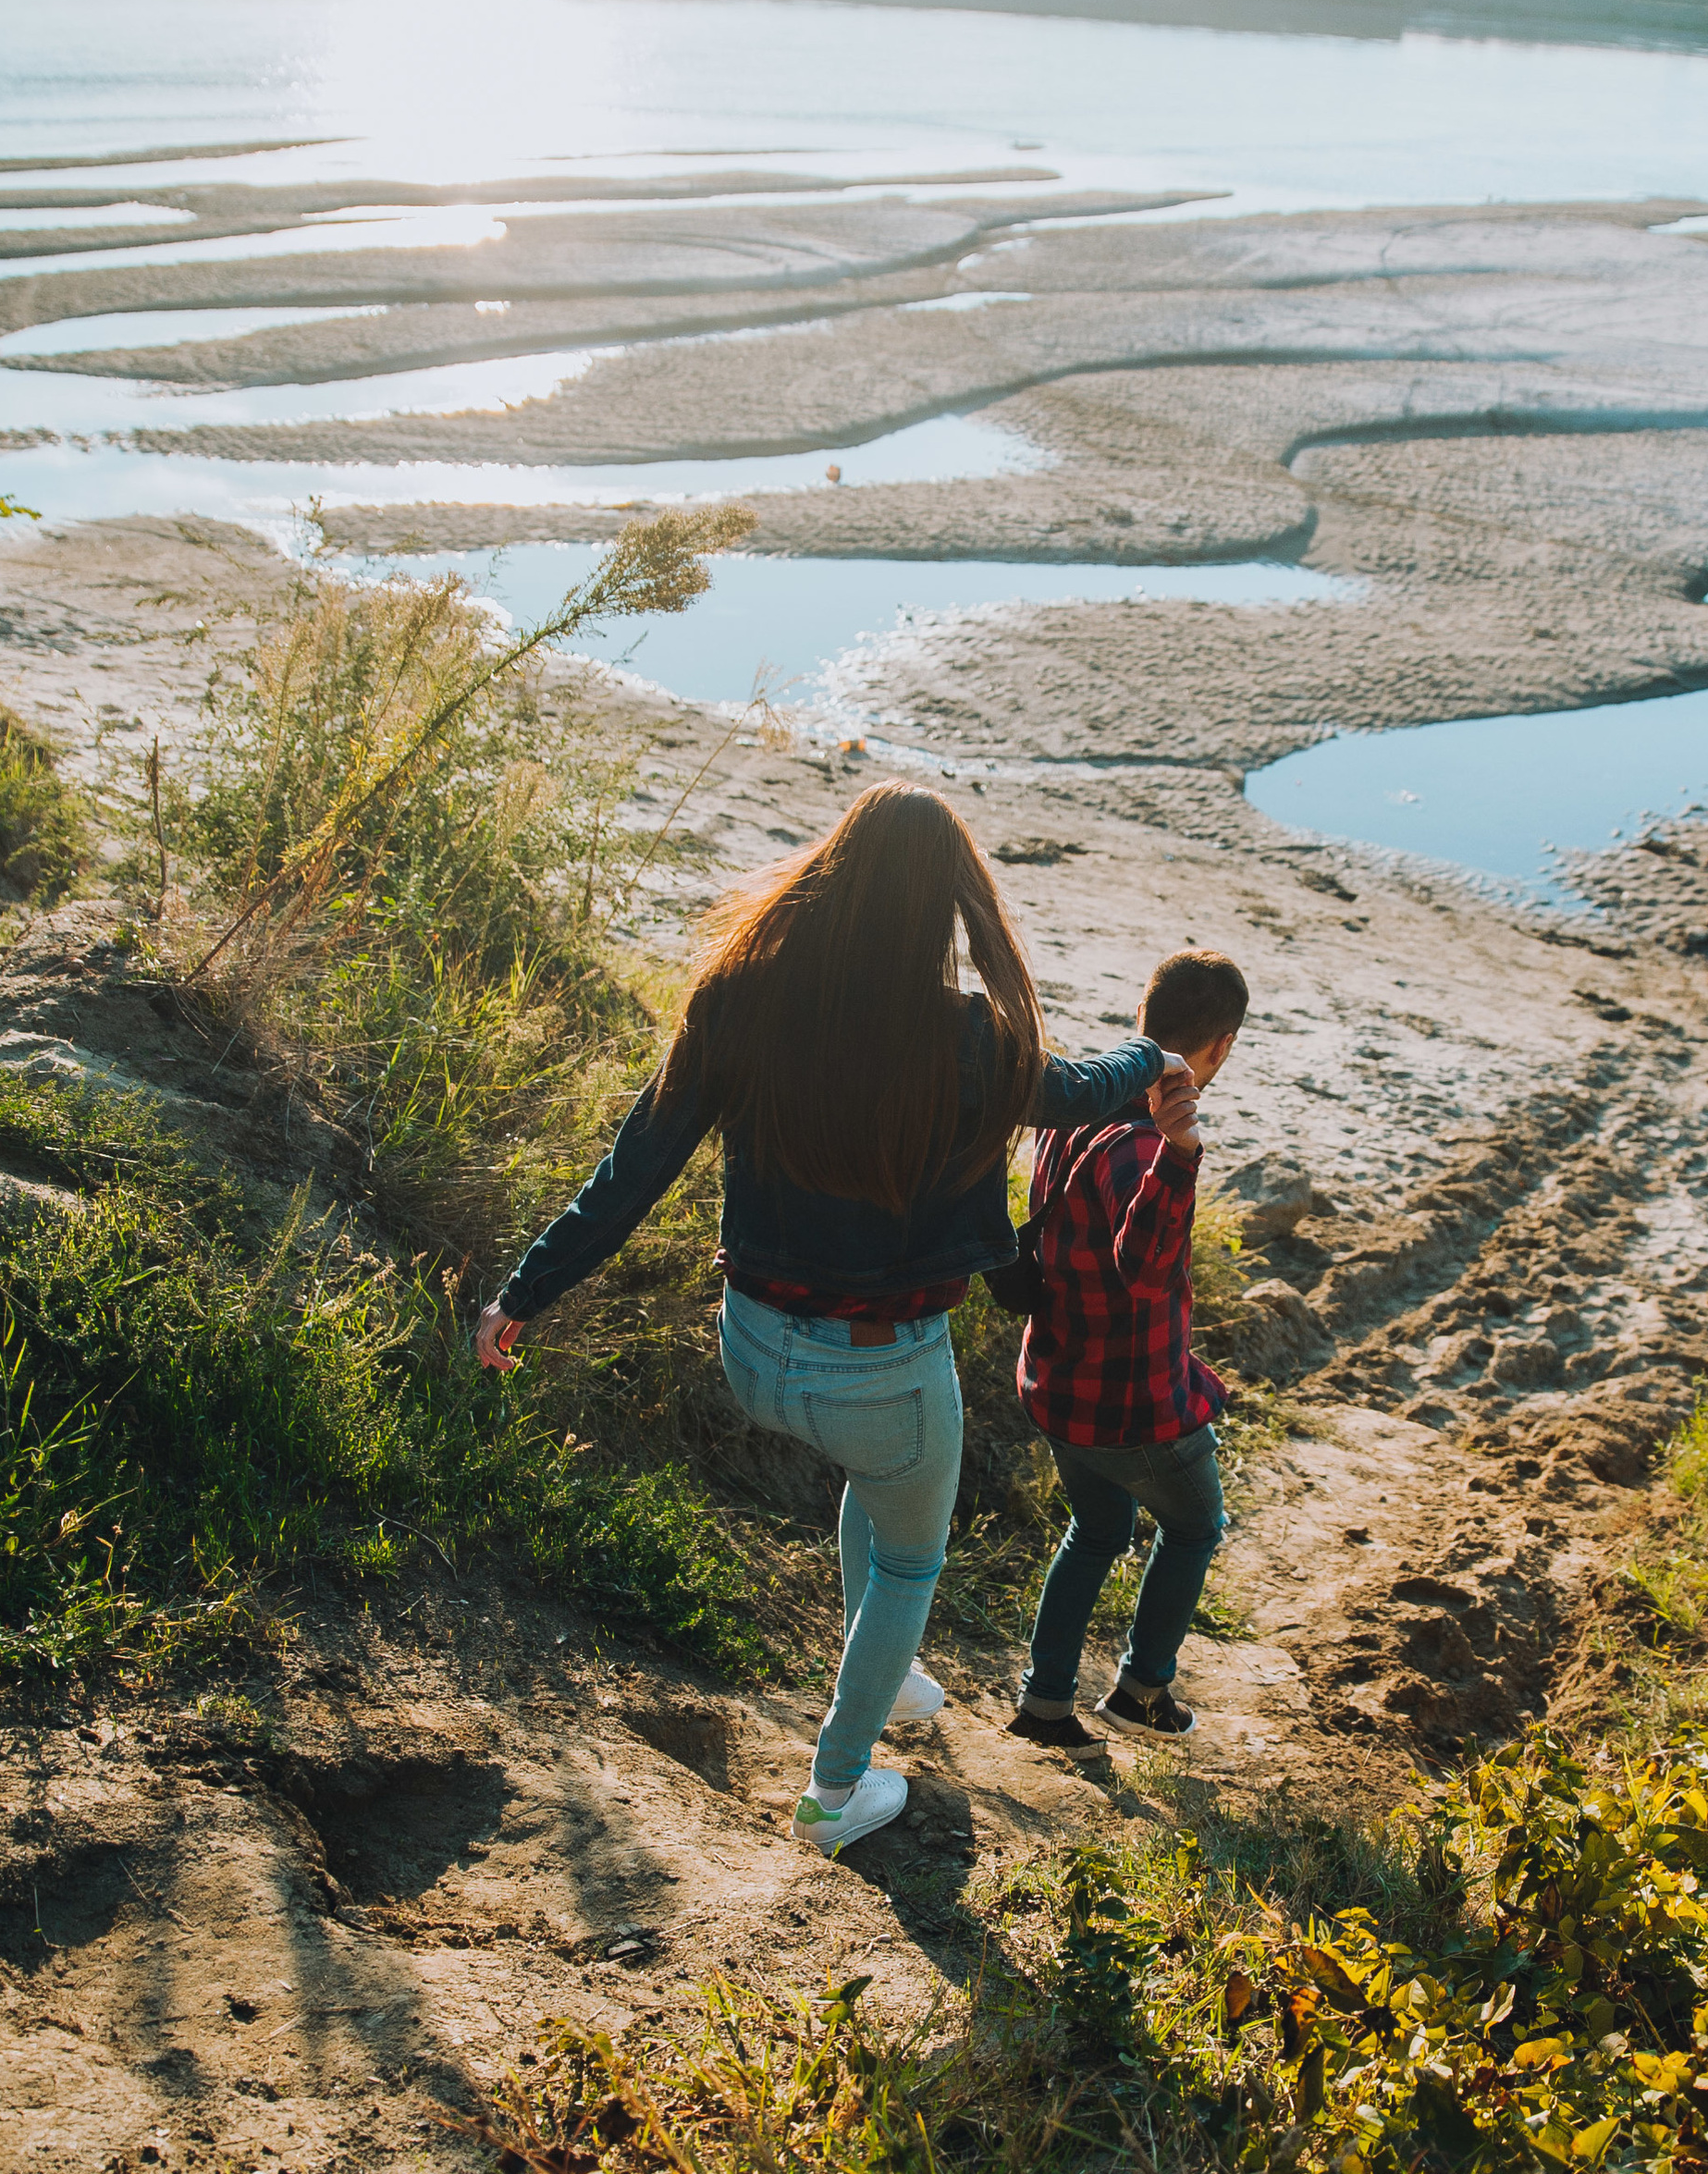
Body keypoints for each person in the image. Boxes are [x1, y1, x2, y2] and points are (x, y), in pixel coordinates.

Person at [472, 782, 1180, 1856]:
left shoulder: (738, 999)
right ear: (947, 903)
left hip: (752, 1351)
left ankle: (885, 1674)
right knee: (908, 1559)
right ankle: (834, 1792)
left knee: (878, 1484)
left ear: (831, 872)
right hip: (884, 1372)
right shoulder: (969, 1038)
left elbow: (633, 1172)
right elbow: (1076, 1089)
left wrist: (522, 1292)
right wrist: (1154, 1058)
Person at [1008, 949, 1248, 1751]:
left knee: (1098, 1531)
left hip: (1060, 1387)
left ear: (1143, 1018)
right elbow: (1145, 1275)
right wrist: (1181, 1158)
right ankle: (1143, 1692)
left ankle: (1044, 1703)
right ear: (1218, 1046)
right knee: (1194, 1527)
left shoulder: (1083, 1106)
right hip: (1135, 1406)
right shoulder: (1148, 1146)